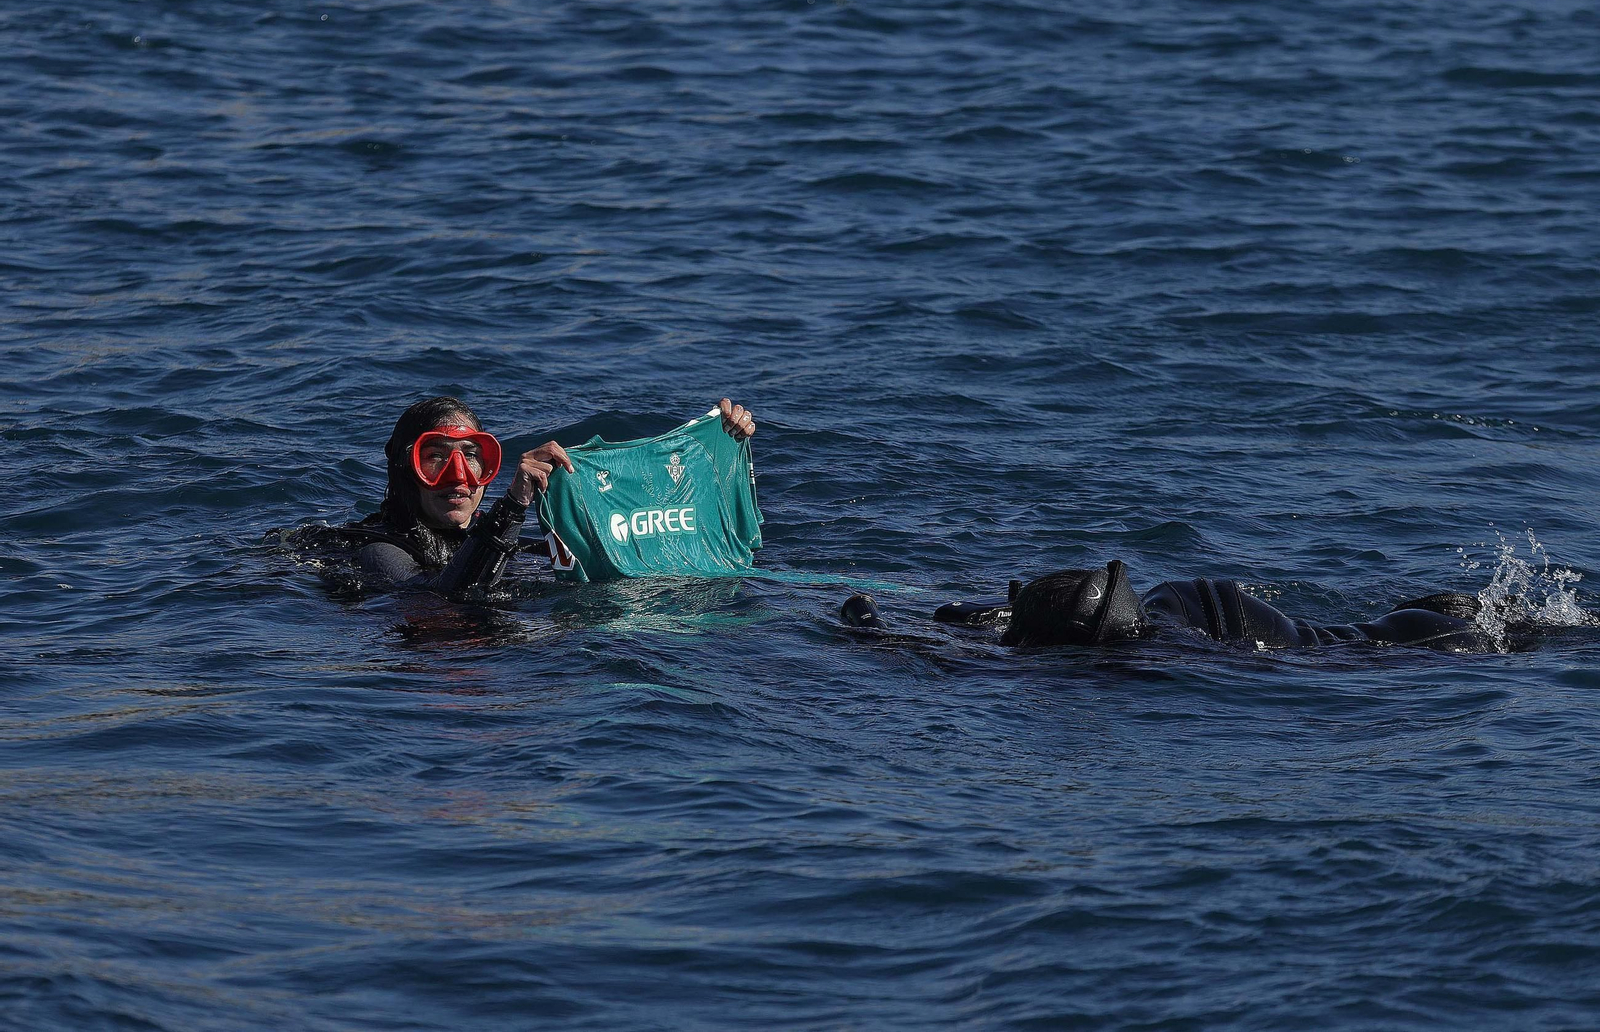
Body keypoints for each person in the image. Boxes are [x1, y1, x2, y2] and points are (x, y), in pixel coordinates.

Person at [345, 395, 757, 594]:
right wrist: (513, 506)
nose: (459, 477)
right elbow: (446, 597)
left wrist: (717, 447)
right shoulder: (377, 550)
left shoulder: (526, 550)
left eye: (473, 457)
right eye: (434, 458)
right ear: (405, 469)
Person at [842, 559, 1520, 654]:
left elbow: (926, 650)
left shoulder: (1136, 651)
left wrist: (864, 620)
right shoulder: (1143, 636)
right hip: (1375, 637)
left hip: (1377, 646)